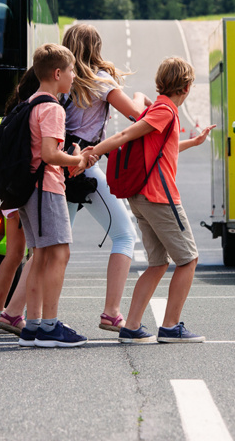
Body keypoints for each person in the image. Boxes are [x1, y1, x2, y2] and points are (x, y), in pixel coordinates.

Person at [89, 57, 215, 344]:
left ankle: (132, 326)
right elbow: (124, 134)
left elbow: (162, 147)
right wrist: (92, 153)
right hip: (159, 196)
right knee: (188, 259)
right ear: (186, 87)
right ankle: (170, 326)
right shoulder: (165, 111)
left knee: (158, 263)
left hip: (142, 196)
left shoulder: (159, 108)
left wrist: (192, 143)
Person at [61, 23, 152, 333]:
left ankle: (14, 312)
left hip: (61, 166)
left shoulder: (64, 81)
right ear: (96, 47)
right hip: (85, 166)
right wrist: (140, 94)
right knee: (125, 236)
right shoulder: (100, 81)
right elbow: (136, 115)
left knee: (53, 245)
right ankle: (112, 312)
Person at [17, 43, 94, 348]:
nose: (74, 76)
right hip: (46, 188)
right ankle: (49, 327)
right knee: (60, 254)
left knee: (40, 256)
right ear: (58, 73)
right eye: (72, 70)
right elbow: (50, 154)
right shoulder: (52, 108)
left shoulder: (30, 102)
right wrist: (79, 160)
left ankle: (33, 325)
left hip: (28, 189)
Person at [0, 69, 40, 335]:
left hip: (4, 193)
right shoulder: (28, 115)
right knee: (25, 254)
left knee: (15, 255)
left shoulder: (8, 116)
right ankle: (9, 315)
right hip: (18, 194)